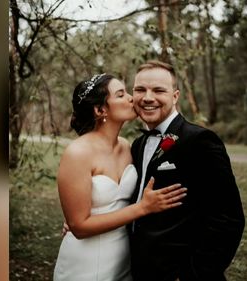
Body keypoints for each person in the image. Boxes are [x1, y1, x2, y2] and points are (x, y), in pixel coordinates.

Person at [53, 73, 187, 281]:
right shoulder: (77, 153)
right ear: (100, 110)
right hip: (86, 261)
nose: (131, 98)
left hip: (124, 259)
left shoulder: (127, 147)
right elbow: (79, 227)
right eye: (120, 94)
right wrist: (142, 208)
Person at [129, 60, 245, 281]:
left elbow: (229, 219)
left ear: (175, 96)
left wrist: (193, 274)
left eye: (158, 90)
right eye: (140, 89)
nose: (147, 97)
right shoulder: (138, 145)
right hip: (141, 271)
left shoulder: (200, 141)